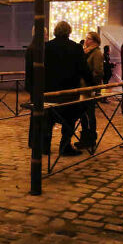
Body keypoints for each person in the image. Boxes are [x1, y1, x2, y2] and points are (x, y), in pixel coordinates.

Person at [44, 21, 93, 157]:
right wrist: (92, 84)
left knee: (49, 119)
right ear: (69, 32)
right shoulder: (76, 48)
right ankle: (64, 146)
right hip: (69, 91)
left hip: (49, 90)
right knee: (69, 120)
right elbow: (84, 69)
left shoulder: (46, 47)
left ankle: (45, 146)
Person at [77, 31, 103, 150]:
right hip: (82, 88)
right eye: (86, 38)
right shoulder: (86, 52)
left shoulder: (96, 53)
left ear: (95, 41)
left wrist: (89, 80)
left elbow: (98, 72)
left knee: (90, 114)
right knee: (83, 114)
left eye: (89, 39)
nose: (86, 41)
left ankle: (91, 138)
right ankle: (84, 137)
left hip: (89, 88)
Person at [26, 26, 49, 151]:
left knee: (35, 114)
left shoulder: (31, 47)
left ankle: (33, 140)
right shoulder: (38, 48)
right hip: (38, 86)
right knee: (40, 114)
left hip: (33, 86)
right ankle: (37, 141)